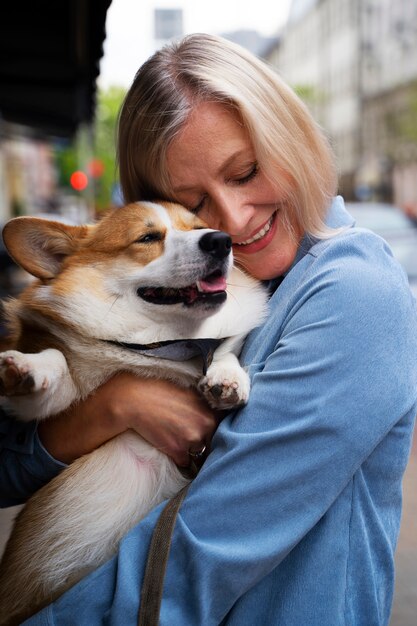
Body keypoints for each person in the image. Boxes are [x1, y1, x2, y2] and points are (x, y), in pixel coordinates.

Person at [1, 33, 417, 625]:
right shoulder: (202, 294)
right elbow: (8, 465)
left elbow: (206, 554)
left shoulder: (354, 292)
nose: (233, 221)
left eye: (246, 172)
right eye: (193, 205)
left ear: (289, 136)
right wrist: (116, 404)